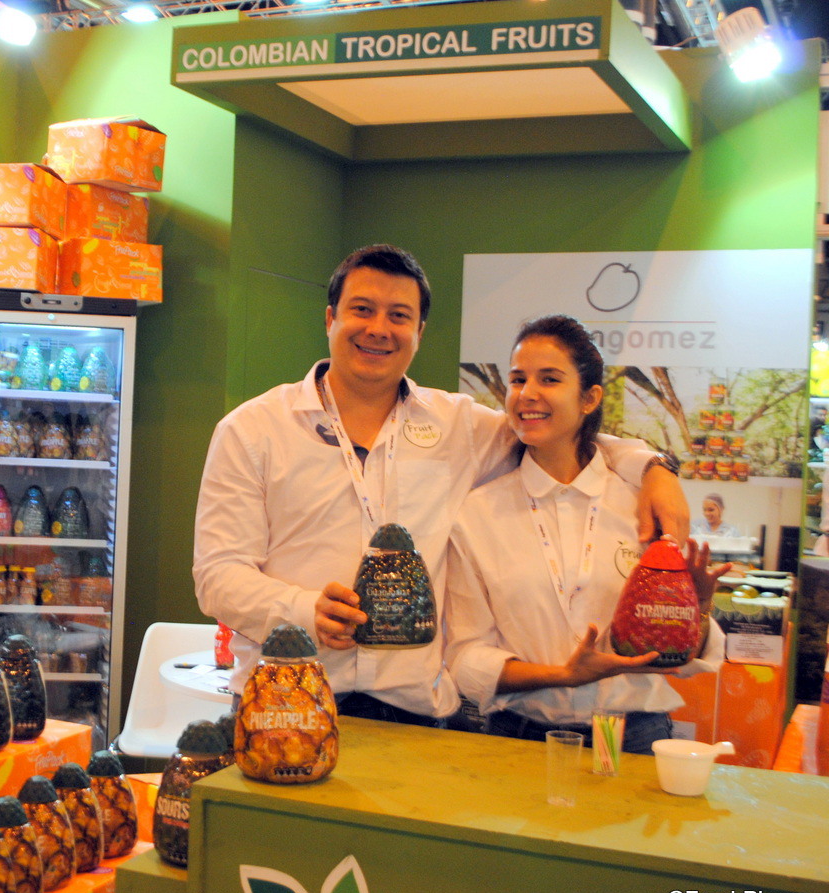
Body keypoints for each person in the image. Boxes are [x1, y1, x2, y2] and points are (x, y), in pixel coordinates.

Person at [192, 245, 689, 726]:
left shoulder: (458, 426)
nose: (378, 329)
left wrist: (655, 468)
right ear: (330, 319)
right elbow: (217, 574)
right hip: (286, 700)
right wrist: (304, 611)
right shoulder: (253, 430)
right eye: (362, 309)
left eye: (399, 316)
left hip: (413, 712)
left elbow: (557, 430)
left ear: (419, 331)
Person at [444, 315, 726, 752]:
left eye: (549, 379)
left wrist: (698, 610)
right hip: (520, 737)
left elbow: (678, 659)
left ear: (590, 398)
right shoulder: (476, 514)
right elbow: (464, 656)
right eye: (517, 379)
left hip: (634, 736)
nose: (527, 393)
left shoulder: (643, 505)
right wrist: (563, 676)